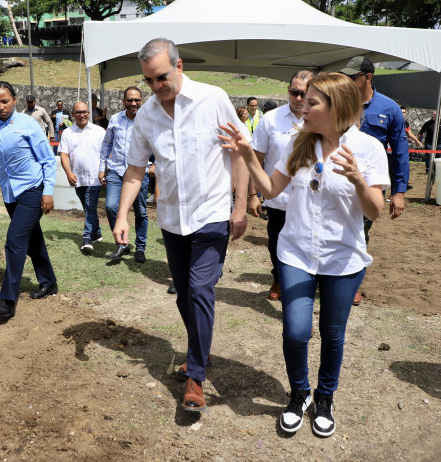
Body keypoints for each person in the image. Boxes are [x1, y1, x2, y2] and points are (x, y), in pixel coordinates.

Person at [219, 72, 389, 438]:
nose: (303, 108)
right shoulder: (299, 143)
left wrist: (359, 180)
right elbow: (271, 188)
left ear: (336, 107)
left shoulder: (368, 149)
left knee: (332, 333)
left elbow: (374, 211)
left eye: (312, 102)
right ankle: (300, 394)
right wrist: (247, 153)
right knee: (296, 331)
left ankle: (325, 398)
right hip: (295, 252)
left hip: (342, 258)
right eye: (303, 100)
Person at [112, 38, 249, 412]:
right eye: (149, 80)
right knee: (185, 294)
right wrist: (122, 215)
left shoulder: (213, 99)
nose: (156, 86)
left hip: (211, 215)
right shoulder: (147, 115)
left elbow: (240, 152)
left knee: (201, 289)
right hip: (172, 220)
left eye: (161, 77)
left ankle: (196, 376)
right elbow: (135, 169)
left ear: (179, 65)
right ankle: (199, 349)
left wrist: (240, 205)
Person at [0, 81, 58, 320]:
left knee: (15, 241)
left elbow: (47, 160)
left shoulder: (28, 124)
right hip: (9, 194)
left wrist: (48, 191)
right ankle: (49, 282)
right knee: (33, 241)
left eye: (5, 101)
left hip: (32, 189)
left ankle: (8, 300)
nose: (1, 106)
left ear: (14, 99)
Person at [340, 56, 408, 306]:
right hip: (336, 181)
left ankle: (352, 284)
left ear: (368, 77)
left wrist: (399, 192)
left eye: (353, 77)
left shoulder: (389, 108)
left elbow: (400, 152)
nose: (347, 81)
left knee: (360, 233)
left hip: (369, 186)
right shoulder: (337, 102)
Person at [249, 70, 314, 301]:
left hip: (309, 199)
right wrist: (252, 194)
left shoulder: (320, 120)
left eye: (303, 93)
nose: (298, 98)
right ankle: (278, 277)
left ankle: (302, 285)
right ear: (288, 90)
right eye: (294, 92)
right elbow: (256, 159)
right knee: (276, 244)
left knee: (307, 245)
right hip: (278, 198)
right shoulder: (270, 119)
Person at [100, 86, 150, 263]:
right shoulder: (115, 119)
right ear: (124, 101)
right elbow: (106, 144)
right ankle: (122, 243)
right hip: (116, 170)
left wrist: (155, 164)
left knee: (140, 211)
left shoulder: (148, 120)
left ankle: (140, 247)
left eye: (137, 100)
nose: (133, 103)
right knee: (111, 206)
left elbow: (157, 145)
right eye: (130, 100)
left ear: (142, 101)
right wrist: (102, 168)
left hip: (139, 172)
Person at [59, 101, 106, 254]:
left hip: (95, 177)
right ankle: (96, 232)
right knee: (88, 208)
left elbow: (106, 153)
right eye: (78, 112)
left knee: (90, 206)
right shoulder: (67, 133)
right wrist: (68, 173)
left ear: (89, 113)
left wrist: (104, 171)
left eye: (85, 112)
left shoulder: (99, 131)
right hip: (78, 177)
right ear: (73, 114)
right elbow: (64, 155)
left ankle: (87, 238)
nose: (82, 115)